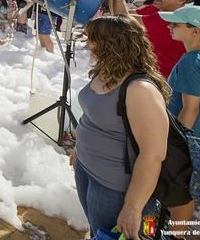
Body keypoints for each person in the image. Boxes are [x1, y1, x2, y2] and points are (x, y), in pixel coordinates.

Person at [70, 16, 169, 239]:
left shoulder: (140, 89)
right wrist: (80, 149)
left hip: (114, 186)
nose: (88, 45)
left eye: (92, 40)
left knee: (109, 234)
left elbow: (153, 155)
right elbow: (96, 117)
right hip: (86, 167)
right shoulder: (105, 71)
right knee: (97, 231)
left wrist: (133, 208)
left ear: (111, 45)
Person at [158, 5, 200, 223]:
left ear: (195, 30)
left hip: (185, 140)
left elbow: (190, 108)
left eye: (176, 24)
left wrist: (175, 142)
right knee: (186, 191)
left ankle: (173, 235)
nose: (170, 27)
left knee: (174, 194)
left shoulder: (191, 62)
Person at [108, 0, 197, 78]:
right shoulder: (158, 8)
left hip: (163, 79)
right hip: (149, 72)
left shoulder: (175, 18)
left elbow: (122, 20)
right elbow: (119, 13)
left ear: (182, 0)